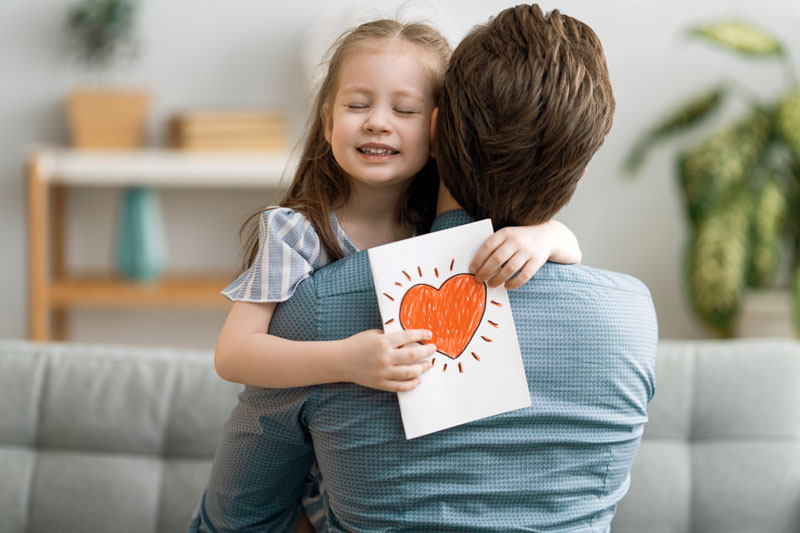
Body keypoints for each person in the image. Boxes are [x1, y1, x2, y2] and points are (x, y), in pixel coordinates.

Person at [193, 4, 657, 532]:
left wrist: (547, 235)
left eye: (405, 109)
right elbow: (233, 353)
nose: (378, 122)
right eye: (358, 104)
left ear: (437, 130)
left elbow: (236, 516)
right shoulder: (634, 317)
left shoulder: (319, 306)